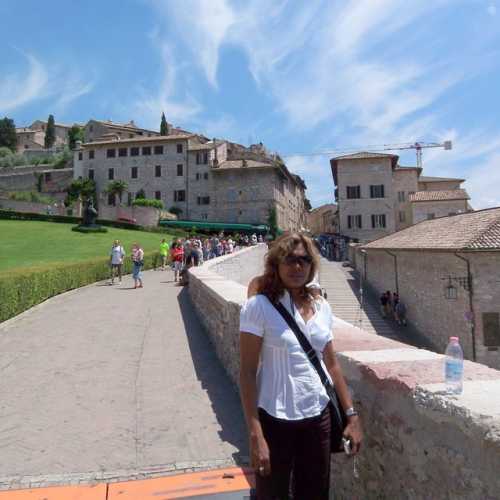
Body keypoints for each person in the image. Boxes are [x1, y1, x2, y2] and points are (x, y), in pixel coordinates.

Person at [239, 233, 362, 499]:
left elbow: (332, 365)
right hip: (274, 418)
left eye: (304, 260)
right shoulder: (257, 307)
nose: (297, 267)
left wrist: (352, 416)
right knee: (272, 494)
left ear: (312, 266)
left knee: (316, 493)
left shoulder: (321, 307)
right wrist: (255, 434)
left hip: (318, 417)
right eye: (290, 259)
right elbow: (247, 372)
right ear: (276, 264)